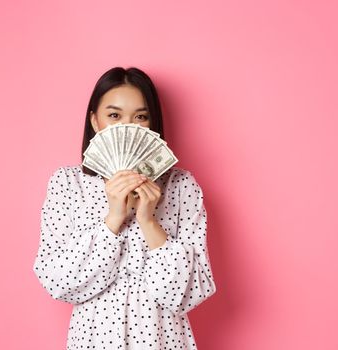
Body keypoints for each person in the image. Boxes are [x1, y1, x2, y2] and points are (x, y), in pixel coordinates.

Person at [33, 66, 217, 349]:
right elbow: (58, 281)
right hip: (94, 340)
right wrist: (114, 218)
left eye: (141, 117)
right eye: (114, 115)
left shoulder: (181, 186)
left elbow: (191, 293)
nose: (127, 127)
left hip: (163, 339)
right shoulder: (67, 184)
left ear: (152, 124)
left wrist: (149, 221)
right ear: (95, 120)